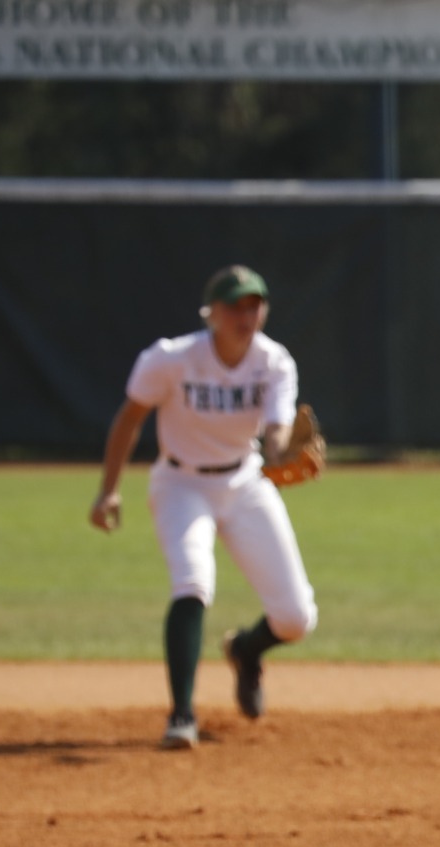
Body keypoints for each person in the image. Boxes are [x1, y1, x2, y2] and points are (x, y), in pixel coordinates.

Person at [88, 265, 319, 750]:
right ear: (211, 313)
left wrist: (283, 456)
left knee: (297, 619)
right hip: (180, 483)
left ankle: (246, 650)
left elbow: (275, 435)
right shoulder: (171, 359)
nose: (246, 313)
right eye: (234, 304)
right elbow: (129, 419)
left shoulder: (274, 362)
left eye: (254, 303)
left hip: (244, 480)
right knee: (193, 583)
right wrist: (109, 489)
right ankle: (182, 716)